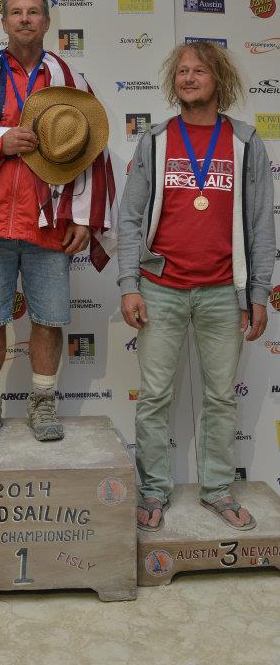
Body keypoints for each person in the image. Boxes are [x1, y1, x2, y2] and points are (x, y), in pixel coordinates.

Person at [0, 0, 116, 443]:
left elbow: (93, 149)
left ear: (47, 22)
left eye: (33, 11)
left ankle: (42, 402)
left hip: (49, 221)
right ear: (3, 22)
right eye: (16, 12)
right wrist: (0, 142)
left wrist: (82, 216)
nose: (25, 19)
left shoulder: (69, 82)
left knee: (50, 317)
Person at [118, 40, 275, 530]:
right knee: (155, 396)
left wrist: (258, 293)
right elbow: (129, 216)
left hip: (223, 292)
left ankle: (218, 490)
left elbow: (261, 226)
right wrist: (129, 282)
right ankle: (153, 492)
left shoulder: (246, 142)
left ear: (219, 80)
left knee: (221, 397)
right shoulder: (157, 140)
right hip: (160, 287)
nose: (188, 78)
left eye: (199, 71)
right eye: (182, 71)